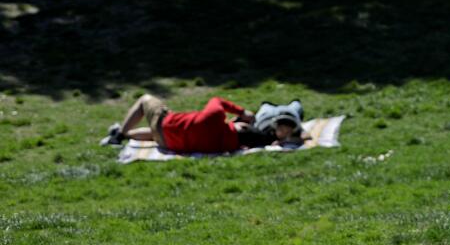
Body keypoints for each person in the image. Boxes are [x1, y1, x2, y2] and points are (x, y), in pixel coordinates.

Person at [99, 94, 302, 153]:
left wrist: (242, 112)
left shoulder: (213, 119)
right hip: (168, 143)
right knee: (159, 133)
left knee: (145, 100)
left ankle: (118, 135)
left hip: (166, 125)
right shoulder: (229, 146)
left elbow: (217, 100)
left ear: (242, 126)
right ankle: (124, 133)